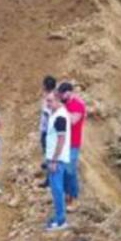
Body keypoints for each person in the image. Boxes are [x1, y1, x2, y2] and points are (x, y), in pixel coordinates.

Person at [43, 92, 72, 231]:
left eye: (50, 101)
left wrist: (54, 161)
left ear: (58, 100)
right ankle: (59, 217)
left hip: (57, 160)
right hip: (55, 159)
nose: (47, 104)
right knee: (56, 189)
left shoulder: (60, 116)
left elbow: (61, 140)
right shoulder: (56, 114)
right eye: (47, 101)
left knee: (57, 190)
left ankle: (60, 221)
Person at [57, 82, 86, 209]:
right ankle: (67, 195)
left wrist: (61, 110)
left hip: (73, 143)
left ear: (69, 93)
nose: (61, 97)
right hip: (63, 142)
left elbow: (73, 121)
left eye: (62, 94)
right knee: (63, 171)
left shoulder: (78, 105)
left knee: (70, 170)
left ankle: (74, 198)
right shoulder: (64, 104)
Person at [38, 76, 57, 187]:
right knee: (47, 152)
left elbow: (48, 114)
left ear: (45, 86)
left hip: (48, 131)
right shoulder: (53, 96)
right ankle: (47, 164)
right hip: (47, 130)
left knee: (48, 153)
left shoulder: (49, 99)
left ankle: (49, 180)